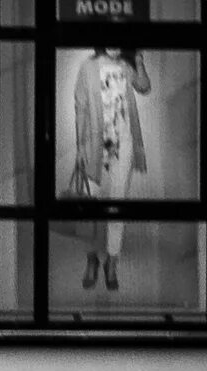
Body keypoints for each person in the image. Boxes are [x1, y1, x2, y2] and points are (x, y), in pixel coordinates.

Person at [67, 47, 150, 293]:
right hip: (95, 146)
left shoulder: (126, 65)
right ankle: (92, 259)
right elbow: (80, 107)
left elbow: (144, 87)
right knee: (90, 205)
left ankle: (112, 262)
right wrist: (80, 146)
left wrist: (139, 61)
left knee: (117, 205)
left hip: (123, 146)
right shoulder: (88, 67)